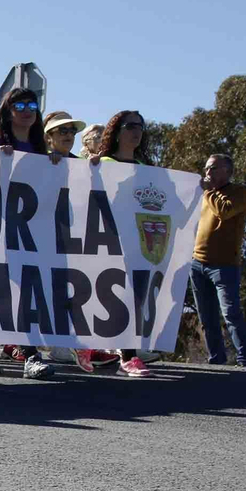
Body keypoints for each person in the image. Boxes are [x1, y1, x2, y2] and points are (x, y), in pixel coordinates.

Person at [0, 90, 62, 380]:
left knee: (27, 294)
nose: (26, 110)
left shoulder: (41, 151)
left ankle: (31, 356)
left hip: (30, 236)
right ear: (7, 110)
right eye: (19, 105)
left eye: (32, 105)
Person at [85, 109, 155, 377]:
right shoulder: (100, 163)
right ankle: (90, 348)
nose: (136, 131)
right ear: (116, 131)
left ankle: (129, 356)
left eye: (140, 126)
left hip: (137, 244)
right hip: (104, 242)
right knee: (102, 296)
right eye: (130, 126)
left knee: (134, 299)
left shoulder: (147, 171)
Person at [190, 153, 246, 367]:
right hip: (197, 264)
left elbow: (225, 211)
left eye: (214, 168)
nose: (208, 172)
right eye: (207, 168)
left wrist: (208, 190)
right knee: (207, 318)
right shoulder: (204, 195)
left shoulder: (240, 193)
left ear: (228, 171)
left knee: (231, 314)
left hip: (224, 265)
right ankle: (216, 360)